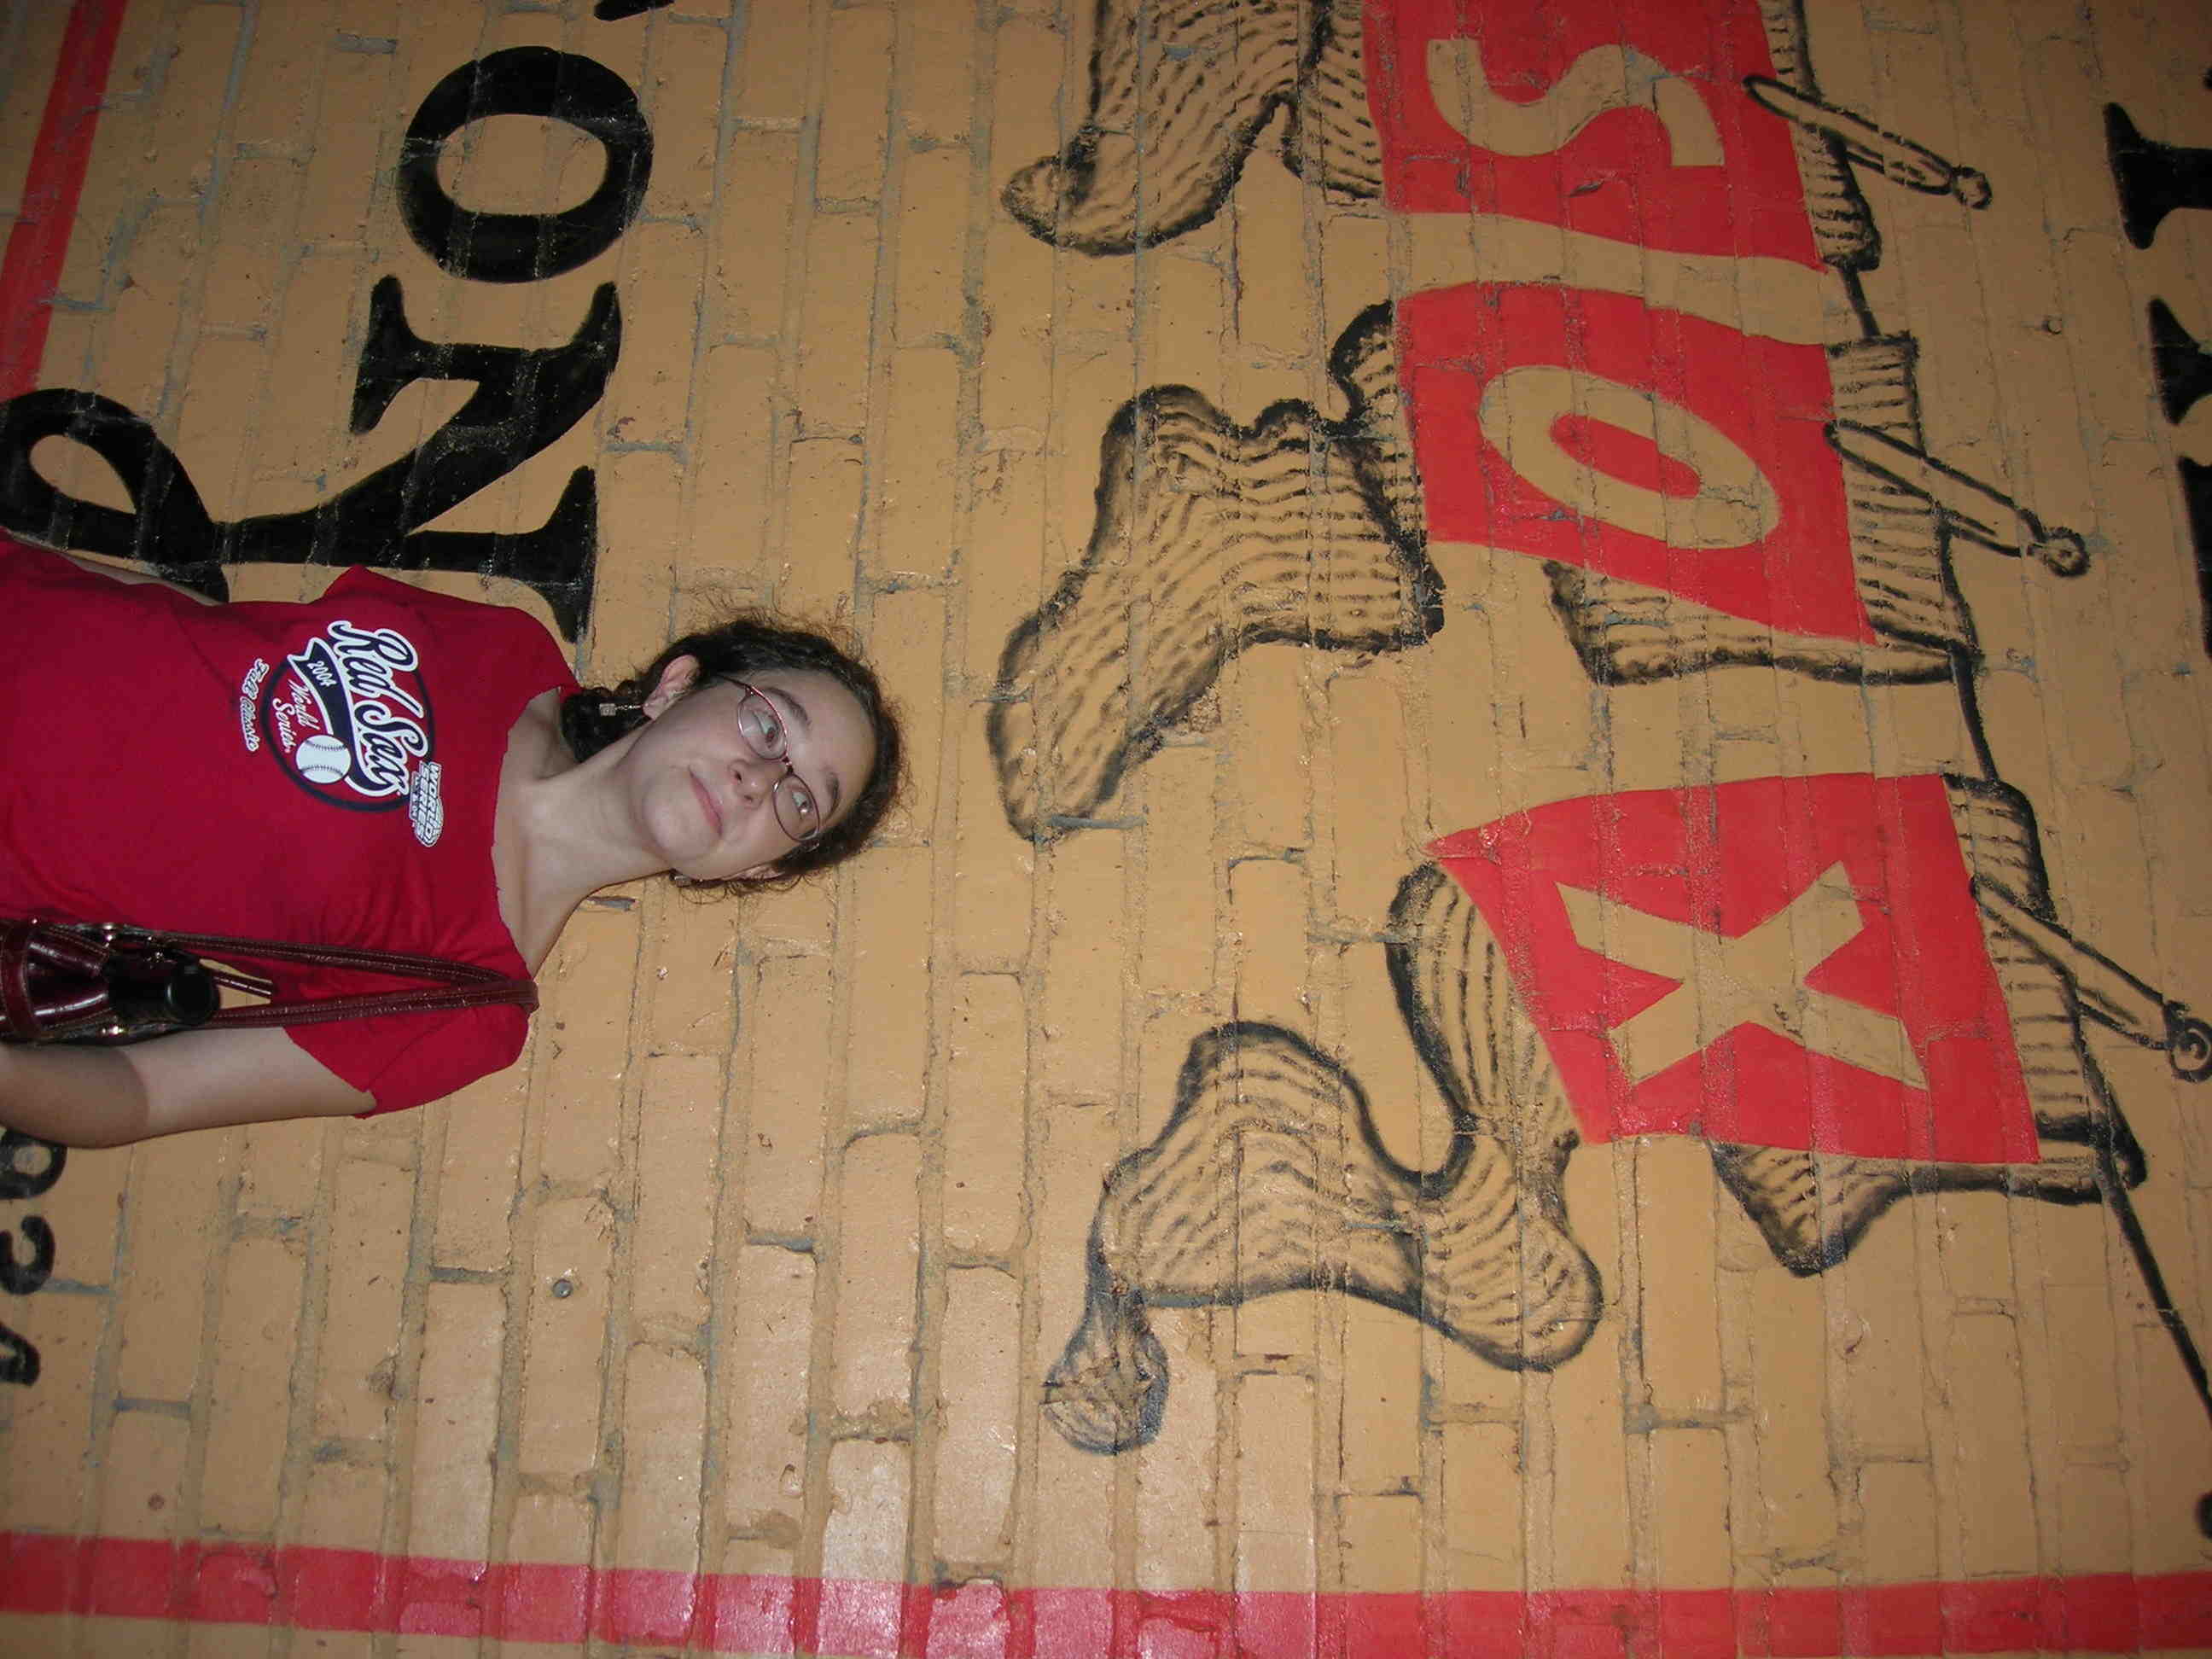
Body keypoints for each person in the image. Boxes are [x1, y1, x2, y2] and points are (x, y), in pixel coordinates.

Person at [0, 534, 902, 1148]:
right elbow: (187, 614)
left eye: (800, 803)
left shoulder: (461, 1003)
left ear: (759, 867)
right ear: (678, 687)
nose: (760, 780)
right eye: (768, 726)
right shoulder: (507, 649)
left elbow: (141, 1094)